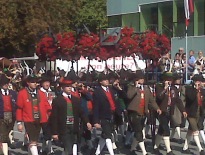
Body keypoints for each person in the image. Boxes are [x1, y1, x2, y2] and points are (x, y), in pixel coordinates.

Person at [50, 76, 92, 155]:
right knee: (68, 147)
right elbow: (54, 117)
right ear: (62, 88)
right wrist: (54, 132)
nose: (69, 88)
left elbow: (81, 112)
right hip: (64, 127)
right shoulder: (58, 100)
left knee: (72, 146)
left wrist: (87, 122)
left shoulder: (75, 99)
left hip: (74, 126)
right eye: (67, 86)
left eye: (70, 86)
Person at [127, 70, 161, 155]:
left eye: (142, 79)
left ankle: (132, 149)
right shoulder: (131, 87)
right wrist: (136, 87)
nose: (141, 80)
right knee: (139, 132)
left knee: (138, 131)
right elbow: (128, 96)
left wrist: (157, 108)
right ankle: (144, 152)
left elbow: (151, 101)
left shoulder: (146, 89)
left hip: (143, 112)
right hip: (134, 112)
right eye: (139, 79)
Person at [16, 75, 51, 155]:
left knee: (35, 139)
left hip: (40, 119)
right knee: (33, 140)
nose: (35, 83)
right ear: (28, 83)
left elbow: (46, 106)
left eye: (36, 82)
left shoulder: (41, 93)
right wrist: (19, 123)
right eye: (32, 82)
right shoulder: (22, 93)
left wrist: (50, 115)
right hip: (28, 120)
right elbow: (19, 109)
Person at [154, 72, 187, 155]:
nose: (170, 81)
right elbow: (159, 97)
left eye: (171, 80)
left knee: (161, 130)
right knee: (166, 129)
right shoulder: (159, 86)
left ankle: (155, 147)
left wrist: (183, 110)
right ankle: (169, 150)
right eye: (168, 80)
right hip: (161, 111)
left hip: (169, 111)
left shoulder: (173, 89)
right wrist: (165, 88)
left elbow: (178, 100)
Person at [93, 73, 122, 155]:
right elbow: (96, 107)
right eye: (104, 80)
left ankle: (97, 153)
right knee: (109, 135)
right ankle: (111, 153)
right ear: (100, 82)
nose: (107, 81)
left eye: (107, 80)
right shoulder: (97, 92)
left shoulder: (112, 90)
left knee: (104, 135)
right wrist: (96, 121)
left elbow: (119, 99)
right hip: (103, 115)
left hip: (112, 114)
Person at [182, 74, 205, 155]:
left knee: (190, 130)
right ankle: (200, 149)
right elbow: (191, 98)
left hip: (199, 112)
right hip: (191, 112)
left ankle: (185, 147)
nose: (199, 83)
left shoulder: (202, 90)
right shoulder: (189, 89)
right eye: (197, 81)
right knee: (196, 130)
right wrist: (196, 89)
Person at [0, 74, 17, 155]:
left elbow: (17, 105)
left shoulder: (13, 93)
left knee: (7, 134)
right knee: (3, 137)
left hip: (11, 117)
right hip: (1, 117)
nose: (6, 85)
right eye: (4, 83)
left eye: (7, 83)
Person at [39, 74, 55, 155]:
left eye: (48, 82)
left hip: (51, 115)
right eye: (45, 82)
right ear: (42, 83)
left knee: (48, 133)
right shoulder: (39, 92)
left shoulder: (52, 92)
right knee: (47, 133)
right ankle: (50, 149)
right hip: (43, 115)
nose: (47, 84)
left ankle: (43, 149)